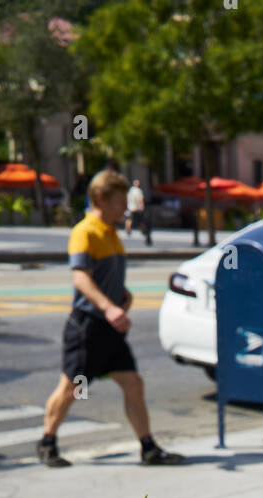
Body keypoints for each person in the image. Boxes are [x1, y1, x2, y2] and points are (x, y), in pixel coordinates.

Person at [36, 169, 183, 468]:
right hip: (87, 326)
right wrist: (109, 307)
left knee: (133, 383)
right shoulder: (84, 231)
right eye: (118, 202)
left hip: (111, 329)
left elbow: (105, 277)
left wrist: (121, 295)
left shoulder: (112, 232)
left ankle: (148, 447)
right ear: (101, 199)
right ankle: (47, 441)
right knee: (72, 387)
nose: (123, 209)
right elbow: (81, 278)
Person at [125, 178, 151, 245]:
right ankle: (143, 232)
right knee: (140, 221)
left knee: (129, 219)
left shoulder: (131, 190)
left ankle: (128, 230)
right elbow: (140, 199)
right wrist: (142, 206)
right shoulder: (138, 191)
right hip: (136, 208)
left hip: (130, 207)